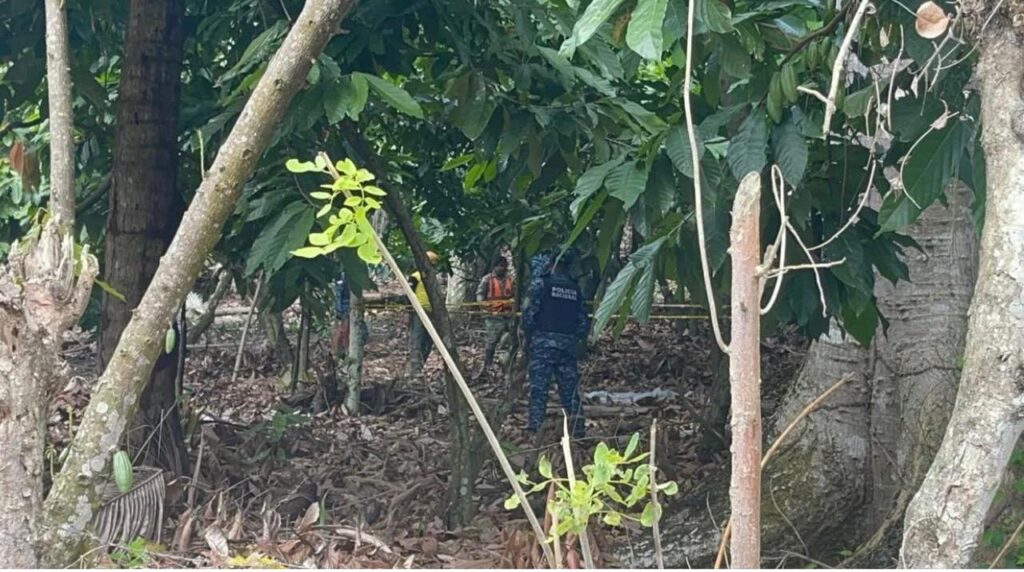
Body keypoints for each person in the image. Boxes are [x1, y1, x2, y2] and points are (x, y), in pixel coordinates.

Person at [522, 248, 588, 439]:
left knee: (539, 388)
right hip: (567, 346)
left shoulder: (541, 284)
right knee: (570, 390)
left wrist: (528, 337)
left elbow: (529, 316)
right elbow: (583, 321)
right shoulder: (574, 288)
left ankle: (535, 429)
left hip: (543, 344)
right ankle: (577, 430)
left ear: (551, 263)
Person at [474, 256, 515, 379]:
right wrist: (485, 307)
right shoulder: (487, 279)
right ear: (494, 266)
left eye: (503, 266)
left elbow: (515, 295)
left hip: (508, 315)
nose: (501, 268)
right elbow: (480, 295)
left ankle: (507, 365)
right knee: (491, 340)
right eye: (499, 266)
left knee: (510, 339)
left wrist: (512, 302)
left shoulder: (510, 280)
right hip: (492, 316)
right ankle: (488, 364)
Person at [406, 250, 439, 377]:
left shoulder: (433, 278)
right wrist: (408, 311)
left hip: (432, 313)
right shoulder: (415, 277)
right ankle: (415, 369)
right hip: (419, 312)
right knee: (417, 340)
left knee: (428, 341)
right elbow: (408, 295)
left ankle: (421, 365)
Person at [331, 273, 368, 357]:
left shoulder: (345, 278)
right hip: (345, 309)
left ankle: (344, 351)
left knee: (345, 330)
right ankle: (343, 351)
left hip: (346, 308)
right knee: (344, 330)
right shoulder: (343, 278)